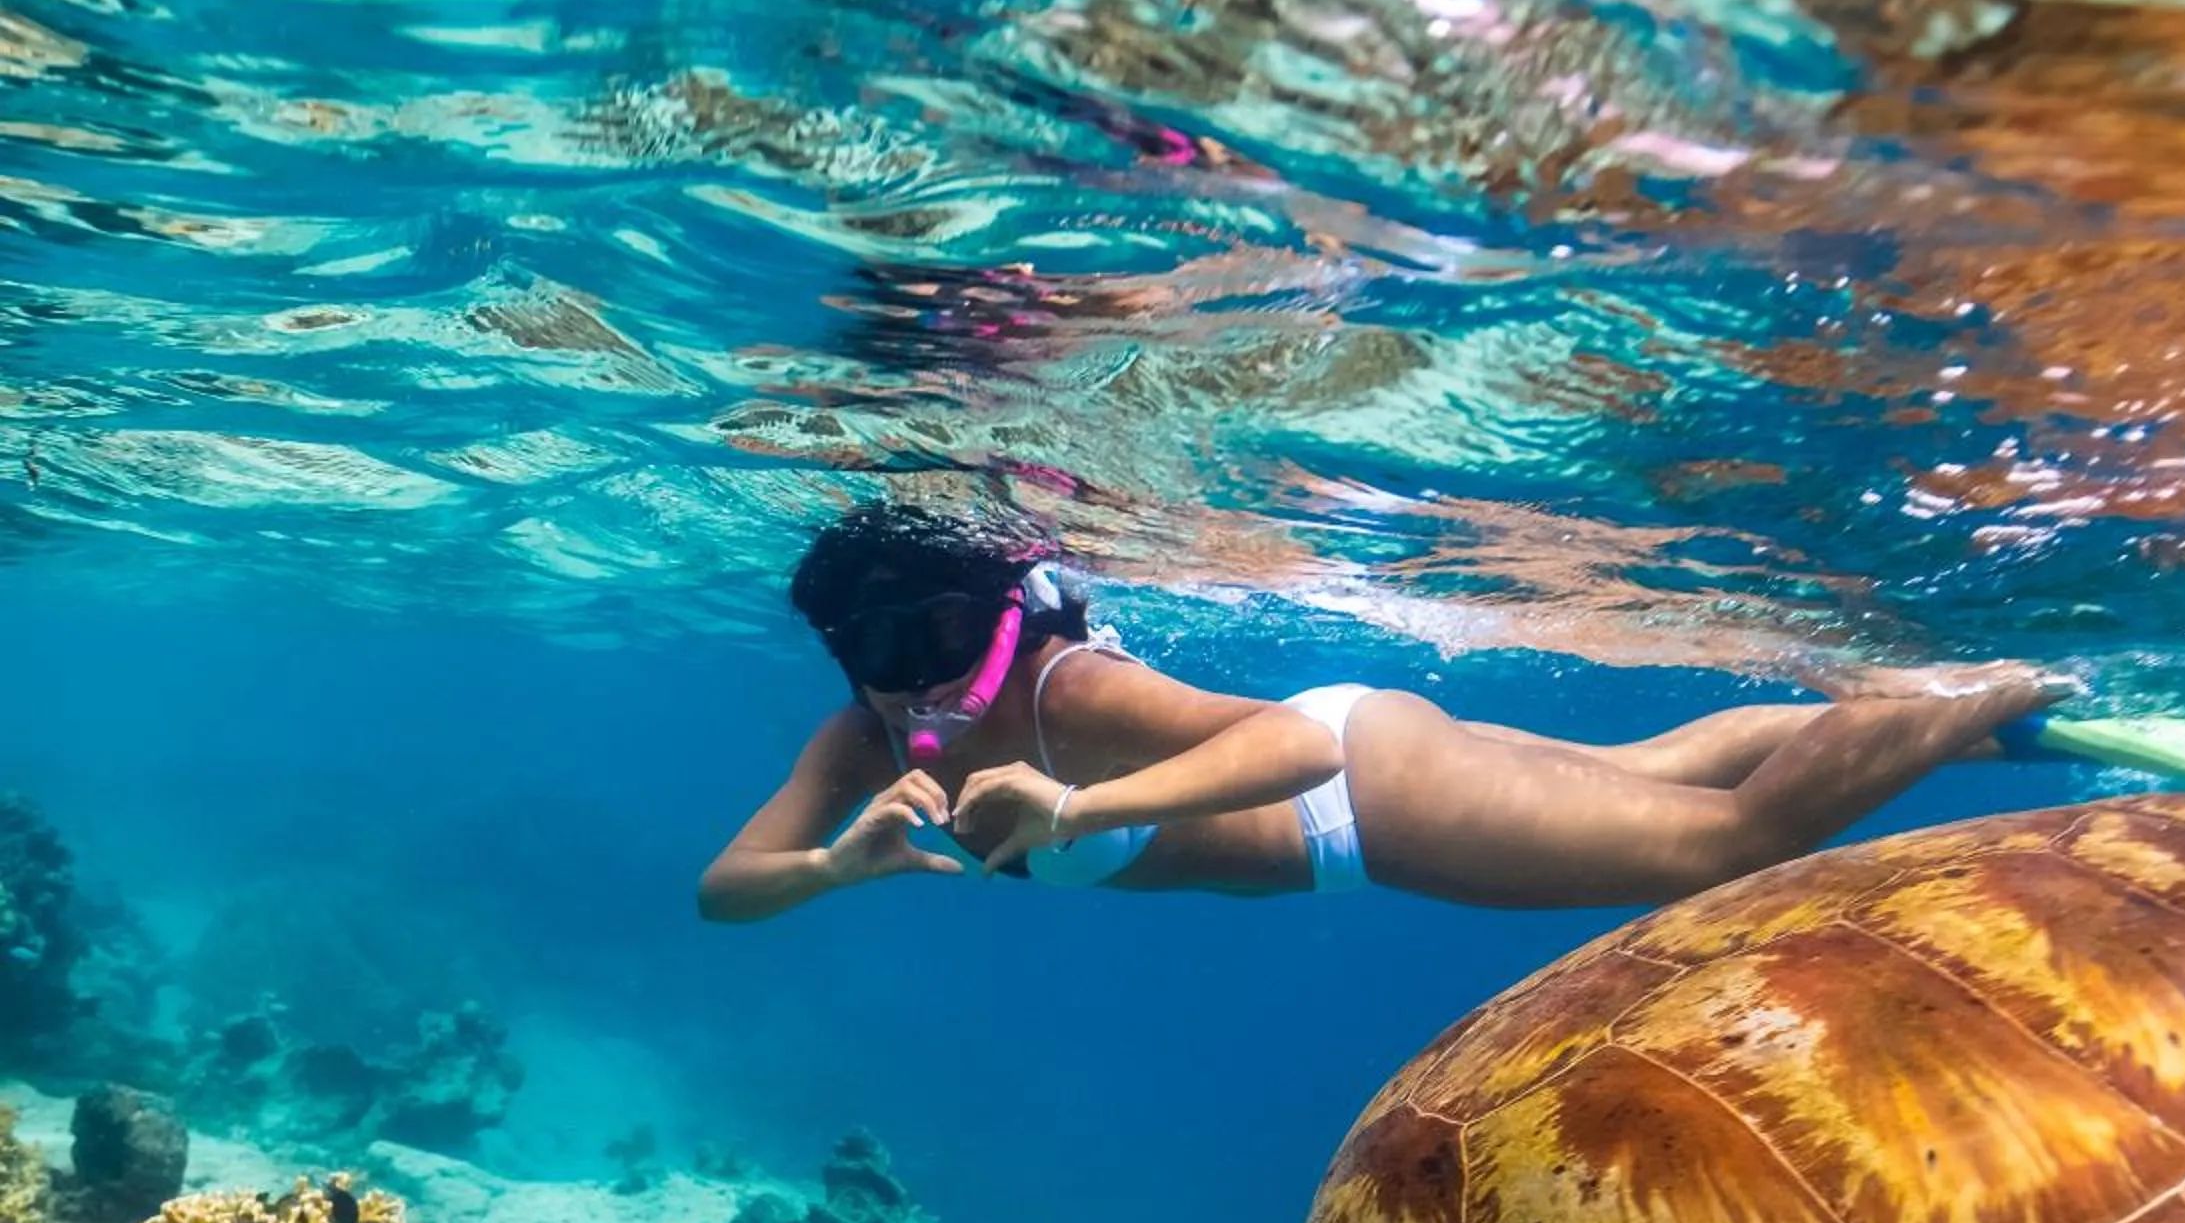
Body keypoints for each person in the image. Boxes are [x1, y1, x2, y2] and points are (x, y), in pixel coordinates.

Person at [699, 504, 2087, 922]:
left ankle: (2004, 682)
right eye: (871, 649)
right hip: (1372, 770)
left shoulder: (1074, 690)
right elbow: (724, 891)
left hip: (1364, 796)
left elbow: (1300, 744)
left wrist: (1080, 806)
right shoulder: (862, 744)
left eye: (935, 635)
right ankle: (1975, 731)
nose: (912, 677)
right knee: (1656, 768)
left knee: (1722, 847)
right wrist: (834, 865)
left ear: (1002, 613)